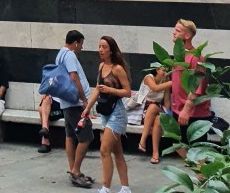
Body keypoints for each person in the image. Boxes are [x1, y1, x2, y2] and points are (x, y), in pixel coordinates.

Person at [80, 36, 132, 193]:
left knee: (104, 149)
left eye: (104, 47)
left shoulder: (117, 69)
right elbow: (97, 89)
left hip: (117, 113)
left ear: (111, 50)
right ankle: (125, 187)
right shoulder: (101, 66)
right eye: (99, 46)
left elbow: (128, 92)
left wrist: (111, 90)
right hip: (105, 113)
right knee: (117, 151)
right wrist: (87, 108)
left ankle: (106, 188)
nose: (101, 50)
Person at [54, 29, 94, 189]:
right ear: (76, 43)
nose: (82, 47)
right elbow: (73, 76)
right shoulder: (70, 55)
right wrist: (84, 99)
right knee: (86, 135)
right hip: (74, 102)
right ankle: (76, 171)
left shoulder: (60, 54)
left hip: (66, 102)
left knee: (70, 135)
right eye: (81, 44)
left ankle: (73, 170)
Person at [170, 18, 211, 156]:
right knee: (177, 144)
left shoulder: (197, 57)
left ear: (187, 35)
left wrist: (186, 109)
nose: (174, 33)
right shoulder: (178, 57)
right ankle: (193, 167)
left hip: (194, 112)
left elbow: (197, 87)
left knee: (198, 152)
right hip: (178, 109)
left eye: (178, 30)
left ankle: (199, 169)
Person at [136, 67, 171, 163]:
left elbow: (167, 101)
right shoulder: (149, 77)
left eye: (168, 71)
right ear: (157, 70)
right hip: (144, 111)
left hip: (158, 108)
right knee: (157, 119)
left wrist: (168, 115)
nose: (166, 73)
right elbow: (155, 88)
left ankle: (142, 141)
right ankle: (155, 153)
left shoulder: (167, 82)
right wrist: (173, 82)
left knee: (155, 110)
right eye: (163, 70)